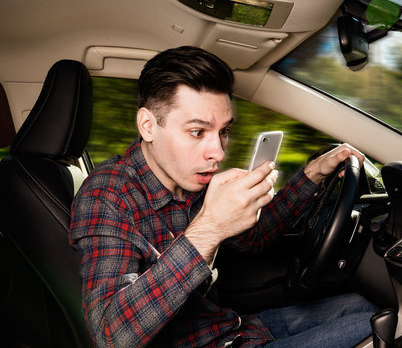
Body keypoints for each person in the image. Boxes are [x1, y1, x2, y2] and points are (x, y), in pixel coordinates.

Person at [69, 46, 377, 348]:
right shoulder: (106, 196)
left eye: (224, 131)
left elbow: (252, 240)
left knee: (363, 307)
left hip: (234, 328)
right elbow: (111, 336)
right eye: (198, 132)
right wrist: (210, 227)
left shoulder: (190, 180)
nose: (218, 152)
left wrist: (313, 175)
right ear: (149, 126)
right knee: (375, 327)